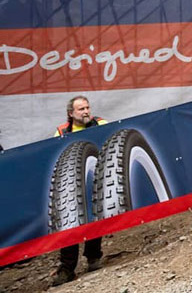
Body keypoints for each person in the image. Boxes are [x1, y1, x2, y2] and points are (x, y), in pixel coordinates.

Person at [51, 96, 107, 286]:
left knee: (94, 218)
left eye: (87, 107)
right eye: (81, 109)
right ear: (71, 113)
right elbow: (52, 155)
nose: (85, 111)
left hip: (96, 178)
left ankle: (93, 258)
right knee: (69, 225)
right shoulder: (61, 131)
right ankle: (67, 269)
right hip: (71, 185)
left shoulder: (101, 124)